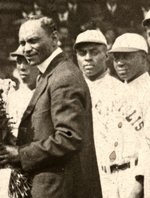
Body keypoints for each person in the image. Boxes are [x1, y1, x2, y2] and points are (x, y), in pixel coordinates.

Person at [0, 16, 102, 198]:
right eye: (22, 43)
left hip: (61, 190)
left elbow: (69, 137)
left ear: (54, 38)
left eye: (33, 41)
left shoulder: (63, 76)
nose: (26, 49)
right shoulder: (50, 75)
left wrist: (20, 154)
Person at [93, 33, 150, 198]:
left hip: (136, 175)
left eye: (126, 56)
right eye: (116, 57)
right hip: (109, 177)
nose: (120, 62)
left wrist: (139, 184)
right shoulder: (113, 90)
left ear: (143, 57)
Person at [74, 29, 108, 99]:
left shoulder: (119, 89)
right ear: (76, 56)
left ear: (106, 55)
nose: (88, 58)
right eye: (82, 53)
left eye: (94, 53)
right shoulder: (70, 87)